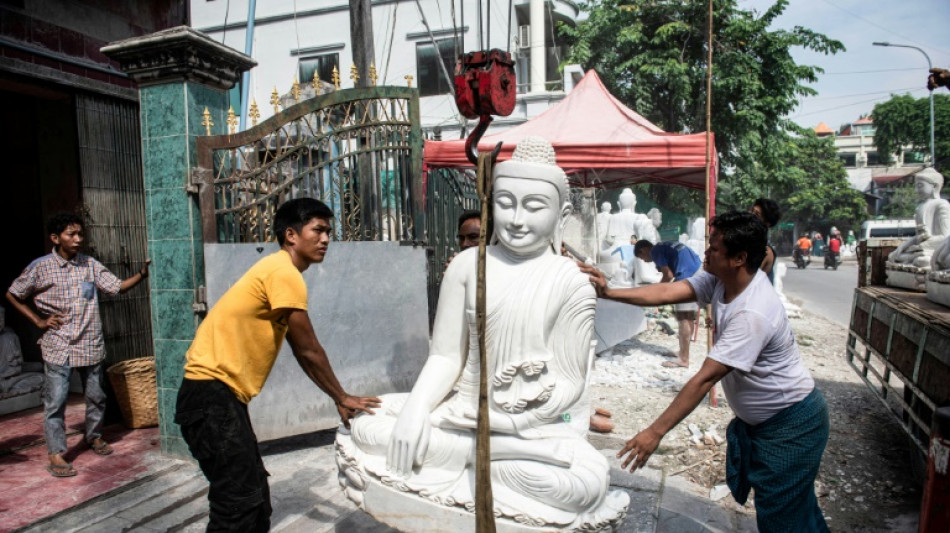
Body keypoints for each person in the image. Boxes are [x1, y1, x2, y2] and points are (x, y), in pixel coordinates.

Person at [339, 137, 629, 529]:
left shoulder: (570, 283)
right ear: (491, 205)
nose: (517, 219)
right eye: (506, 203)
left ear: (560, 214)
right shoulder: (465, 266)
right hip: (461, 416)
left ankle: (482, 455)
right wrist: (416, 410)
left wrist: (510, 420)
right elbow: (444, 357)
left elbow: (570, 384)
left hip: (527, 429)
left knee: (581, 484)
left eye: (534, 206)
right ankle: (476, 454)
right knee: (370, 428)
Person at [580, 211, 830, 532]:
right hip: (773, 422)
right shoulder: (720, 279)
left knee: (783, 518)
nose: (705, 253)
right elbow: (670, 291)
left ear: (739, 258)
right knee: (799, 511)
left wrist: (654, 433)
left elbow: (705, 378)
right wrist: (609, 292)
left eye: (713, 248)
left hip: (791, 425)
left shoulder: (752, 312)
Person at [175, 198, 380, 531]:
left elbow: (302, 351)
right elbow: (308, 348)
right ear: (291, 235)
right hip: (211, 398)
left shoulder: (276, 270)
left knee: (254, 502)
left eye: (329, 231)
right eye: (318, 230)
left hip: (218, 399)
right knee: (238, 505)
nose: (326, 239)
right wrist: (342, 397)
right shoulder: (283, 272)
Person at [5, 213, 150, 478]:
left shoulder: (89, 265)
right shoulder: (41, 267)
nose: (78, 239)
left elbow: (116, 287)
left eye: (80, 234)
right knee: (56, 401)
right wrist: (38, 320)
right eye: (71, 234)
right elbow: (13, 293)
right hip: (58, 344)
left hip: (90, 343)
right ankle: (56, 453)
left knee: (96, 395)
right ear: (55, 238)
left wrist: (141, 274)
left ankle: (93, 436)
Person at [634, 240, 702, 368]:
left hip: (687, 275)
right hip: (697, 270)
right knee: (688, 317)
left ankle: (683, 359)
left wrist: (656, 292)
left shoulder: (655, 251)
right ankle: (683, 352)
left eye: (642, 258)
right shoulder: (664, 245)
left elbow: (668, 275)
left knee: (683, 318)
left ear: (643, 250)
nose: (645, 261)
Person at [750, 198, 781, 284]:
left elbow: (746, 281)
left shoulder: (765, 252)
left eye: (756, 214)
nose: (750, 215)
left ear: (767, 223)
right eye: (752, 211)